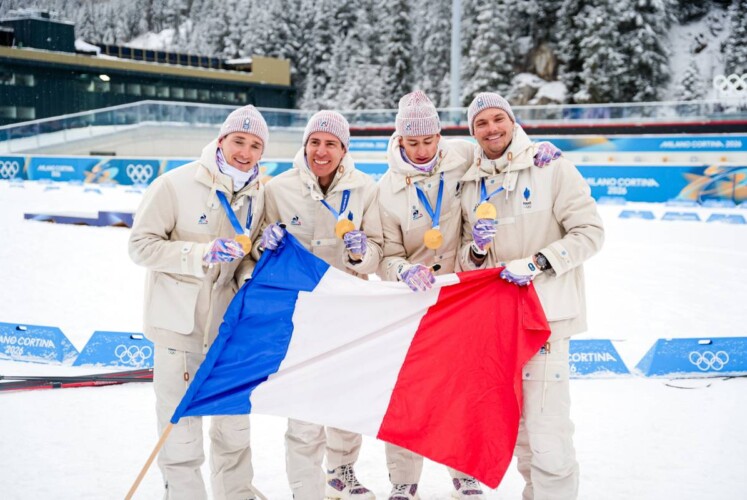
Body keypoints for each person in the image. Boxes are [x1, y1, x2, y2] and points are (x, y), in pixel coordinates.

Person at [376, 91, 561, 500]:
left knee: (463, 390)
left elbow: (503, 151)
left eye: (429, 140)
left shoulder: (462, 156)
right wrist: (403, 270)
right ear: (399, 139)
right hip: (413, 303)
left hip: (463, 297)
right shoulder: (385, 190)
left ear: (440, 135)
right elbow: (386, 257)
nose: (422, 150)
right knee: (409, 393)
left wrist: (536, 151)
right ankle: (403, 479)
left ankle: (464, 472)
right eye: (413, 142)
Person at [457, 92, 605, 500]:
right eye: (481, 123)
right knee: (521, 431)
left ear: (513, 120)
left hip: (547, 320)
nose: (492, 129)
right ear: (472, 132)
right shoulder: (469, 184)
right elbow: (466, 260)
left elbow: (591, 233)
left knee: (547, 432)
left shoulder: (551, 166)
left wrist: (539, 262)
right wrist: (476, 251)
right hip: (499, 324)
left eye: (498, 119)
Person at [129, 105, 268, 499]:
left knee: (234, 429)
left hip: (228, 332)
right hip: (180, 329)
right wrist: (199, 253)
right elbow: (140, 246)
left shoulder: (258, 194)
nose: (245, 152)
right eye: (238, 141)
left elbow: (247, 258)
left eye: (255, 145)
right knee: (181, 435)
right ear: (221, 140)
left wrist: (250, 273)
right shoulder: (174, 184)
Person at [258, 110, 383, 500]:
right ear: (305, 145)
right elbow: (257, 247)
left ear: (344, 150)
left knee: (346, 402)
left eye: (331, 143)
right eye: (315, 142)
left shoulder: (365, 189)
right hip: (299, 318)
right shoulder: (278, 189)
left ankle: (341, 472)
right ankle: (305, 491)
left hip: (348, 314)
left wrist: (363, 253)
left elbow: (378, 253)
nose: (321, 151)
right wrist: (265, 243)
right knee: (304, 414)